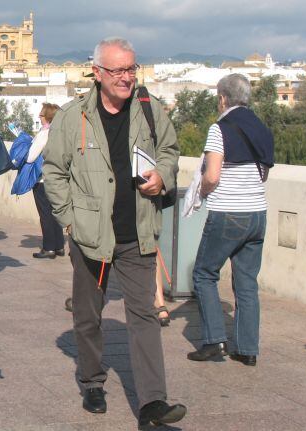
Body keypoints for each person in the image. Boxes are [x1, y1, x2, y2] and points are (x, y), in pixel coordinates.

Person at [42, 37, 186, 428]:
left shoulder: (149, 110)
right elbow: (53, 172)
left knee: (144, 315)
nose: (127, 77)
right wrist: (69, 220)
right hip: (91, 237)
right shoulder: (73, 117)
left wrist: (164, 177)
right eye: (119, 70)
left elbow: (170, 152)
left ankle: (153, 403)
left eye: (132, 69)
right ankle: (91, 381)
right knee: (89, 315)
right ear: (98, 73)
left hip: (138, 231)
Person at [187, 73, 274, 367]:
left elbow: (212, 174)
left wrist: (202, 190)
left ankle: (214, 341)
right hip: (257, 213)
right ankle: (248, 349)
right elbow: (264, 173)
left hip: (229, 212)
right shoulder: (261, 128)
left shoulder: (219, 128)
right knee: (247, 281)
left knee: (204, 273)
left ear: (223, 98)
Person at [28, 102, 65, 259]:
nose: (39, 117)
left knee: (45, 214)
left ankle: (49, 247)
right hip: (58, 179)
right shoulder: (60, 133)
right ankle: (59, 246)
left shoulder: (44, 134)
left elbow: (30, 157)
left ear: (48, 117)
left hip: (42, 180)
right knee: (56, 213)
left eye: (41, 114)